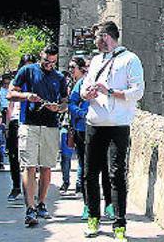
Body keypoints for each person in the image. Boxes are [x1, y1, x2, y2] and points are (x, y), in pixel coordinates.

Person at [82, 21, 144, 241]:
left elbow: (138, 91)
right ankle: (93, 218)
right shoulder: (96, 60)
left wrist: (111, 92)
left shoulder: (130, 59)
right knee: (89, 174)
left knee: (116, 174)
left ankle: (119, 224)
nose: (95, 42)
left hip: (118, 124)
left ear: (106, 37)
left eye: (97, 38)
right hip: (95, 123)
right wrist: (86, 93)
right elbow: (83, 86)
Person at [8, 45, 68, 227]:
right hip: (29, 125)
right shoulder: (27, 71)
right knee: (29, 166)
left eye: (53, 62)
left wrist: (57, 108)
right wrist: (27, 96)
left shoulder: (59, 77)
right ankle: (30, 208)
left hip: (50, 125)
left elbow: (65, 103)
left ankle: (42, 203)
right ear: (41, 56)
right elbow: (11, 94)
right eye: (46, 61)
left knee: (46, 167)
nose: (49, 65)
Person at [67, 55, 113, 220]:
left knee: (107, 169)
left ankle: (109, 204)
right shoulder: (82, 83)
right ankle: (88, 206)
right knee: (87, 170)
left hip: (105, 128)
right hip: (83, 129)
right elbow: (71, 103)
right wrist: (83, 114)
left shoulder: (109, 83)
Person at [5, 54, 37, 203]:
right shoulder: (15, 82)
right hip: (15, 120)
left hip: (30, 120)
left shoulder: (37, 81)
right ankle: (16, 186)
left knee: (29, 158)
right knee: (13, 156)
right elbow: (10, 104)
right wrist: (7, 125)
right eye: (25, 64)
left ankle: (30, 188)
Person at [58, 125, 74, 193]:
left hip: (71, 128)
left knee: (66, 158)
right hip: (64, 129)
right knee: (65, 158)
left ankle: (79, 184)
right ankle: (66, 181)